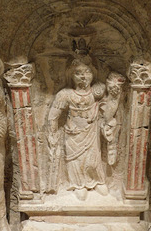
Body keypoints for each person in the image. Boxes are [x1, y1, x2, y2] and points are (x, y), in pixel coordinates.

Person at [48, 59, 108, 200]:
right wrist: (52, 134)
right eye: (78, 73)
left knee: (93, 158)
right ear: (71, 76)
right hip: (73, 133)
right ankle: (78, 183)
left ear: (93, 74)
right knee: (75, 160)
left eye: (87, 72)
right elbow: (53, 116)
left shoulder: (97, 92)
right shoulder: (65, 94)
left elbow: (108, 109)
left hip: (91, 131)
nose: (83, 76)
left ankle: (97, 181)